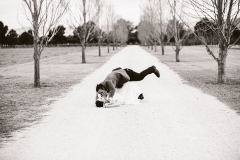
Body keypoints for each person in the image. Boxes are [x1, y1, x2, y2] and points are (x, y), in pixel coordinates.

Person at [95, 65, 160, 107]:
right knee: (127, 86)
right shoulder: (102, 86)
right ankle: (139, 94)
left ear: (102, 88)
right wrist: (96, 101)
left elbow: (113, 90)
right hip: (121, 75)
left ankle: (152, 69)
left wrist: (109, 99)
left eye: (102, 93)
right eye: (101, 94)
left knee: (140, 77)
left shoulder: (108, 82)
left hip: (127, 73)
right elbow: (98, 92)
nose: (102, 94)